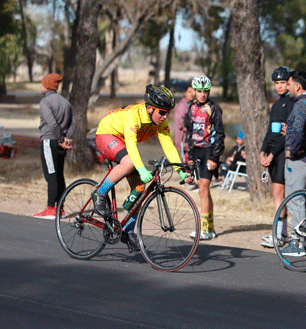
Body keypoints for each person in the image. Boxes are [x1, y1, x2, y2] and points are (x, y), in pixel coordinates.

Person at [92, 84, 192, 251]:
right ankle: (99, 193)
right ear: (150, 109)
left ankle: (128, 231)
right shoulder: (134, 116)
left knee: (139, 189)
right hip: (106, 134)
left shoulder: (160, 122)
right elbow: (131, 146)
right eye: (162, 112)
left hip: (122, 142)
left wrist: (181, 171)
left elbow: (169, 148)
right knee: (130, 163)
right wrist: (142, 168)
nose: (165, 116)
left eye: (168, 112)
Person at [280, 69, 306, 256]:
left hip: (300, 159)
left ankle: (297, 243)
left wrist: (290, 150)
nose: (287, 87)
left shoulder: (300, 105)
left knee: (295, 199)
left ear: (297, 86)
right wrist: (290, 132)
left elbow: (298, 133)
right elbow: (305, 130)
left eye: (289, 84)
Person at [184, 75, 225, 240]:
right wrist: (190, 156)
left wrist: (215, 157)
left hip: (209, 151)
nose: (202, 94)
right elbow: (190, 133)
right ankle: (210, 228)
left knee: (203, 189)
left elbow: (220, 134)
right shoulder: (191, 108)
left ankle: (205, 229)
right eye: (199, 91)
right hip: (197, 151)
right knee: (203, 190)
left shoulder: (214, 108)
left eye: (205, 91)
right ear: (194, 91)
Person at [33, 73, 77, 219]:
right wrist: (66, 138)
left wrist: (59, 138)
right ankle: (61, 208)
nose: (40, 85)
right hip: (61, 143)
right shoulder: (65, 102)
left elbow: (51, 122)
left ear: (47, 85)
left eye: (42, 83)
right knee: (59, 175)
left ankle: (51, 209)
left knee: (51, 175)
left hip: (49, 141)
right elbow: (74, 123)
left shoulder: (45, 102)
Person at [260, 66, 294, 248]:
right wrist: (262, 151)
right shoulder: (276, 104)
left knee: (278, 196)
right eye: (277, 83)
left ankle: (279, 235)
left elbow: (285, 135)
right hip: (272, 153)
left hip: (282, 155)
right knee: (277, 196)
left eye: (283, 83)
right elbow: (270, 130)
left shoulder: (291, 104)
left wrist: (272, 155)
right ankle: (283, 234)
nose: (280, 86)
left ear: (289, 84)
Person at [173, 85, 195, 162]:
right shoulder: (182, 106)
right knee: (185, 162)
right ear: (185, 93)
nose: (192, 94)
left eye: (193, 91)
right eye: (189, 91)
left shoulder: (193, 105)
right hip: (183, 139)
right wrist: (191, 128)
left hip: (191, 140)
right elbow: (179, 123)